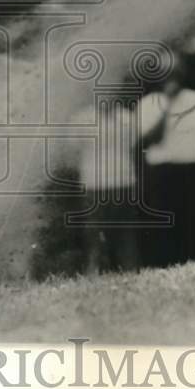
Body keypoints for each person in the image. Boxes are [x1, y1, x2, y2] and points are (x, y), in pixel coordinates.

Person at [138, 59, 195, 265]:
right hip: (163, 173)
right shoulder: (149, 103)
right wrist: (167, 106)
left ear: (183, 74)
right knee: (165, 227)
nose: (171, 78)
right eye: (166, 73)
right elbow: (149, 139)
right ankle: (166, 268)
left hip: (194, 171)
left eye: (175, 73)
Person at [71, 98, 143, 275]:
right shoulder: (81, 119)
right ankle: (92, 273)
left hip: (123, 182)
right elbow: (73, 151)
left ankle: (129, 271)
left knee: (125, 233)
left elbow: (133, 146)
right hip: (93, 183)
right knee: (92, 233)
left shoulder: (127, 118)